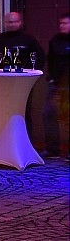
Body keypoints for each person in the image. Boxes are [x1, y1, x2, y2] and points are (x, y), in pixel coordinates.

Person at [0, 10, 49, 150]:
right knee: (3, 113)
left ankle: (25, 144)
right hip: (2, 83)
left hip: (23, 84)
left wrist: (33, 74)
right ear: (5, 23)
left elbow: (39, 57)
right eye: (9, 22)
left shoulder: (29, 40)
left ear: (20, 22)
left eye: (15, 21)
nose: (12, 24)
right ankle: (4, 144)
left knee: (23, 112)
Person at [46, 13, 69, 159]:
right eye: (61, 23)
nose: (62, 26)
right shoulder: (55, 41)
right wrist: (51, 78)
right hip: (56, 83)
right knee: (48, 113)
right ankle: (53, 149)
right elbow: (50, 60)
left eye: (65, 23)